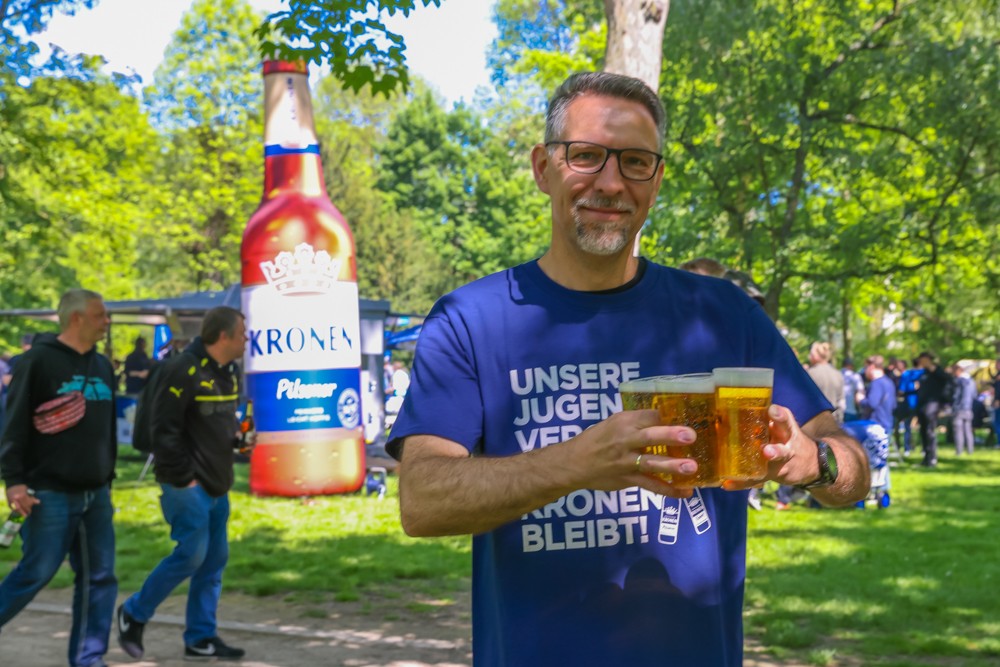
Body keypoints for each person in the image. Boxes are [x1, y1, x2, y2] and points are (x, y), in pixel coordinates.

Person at [386, 71, 869, 667]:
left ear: (657, 179)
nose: (610, 183)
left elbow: (853, 469)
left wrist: (813, 461)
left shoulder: (722, 315)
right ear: (543, 168)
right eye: (586, 156)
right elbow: (423, 499)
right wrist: (578, 462)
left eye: (636, 162)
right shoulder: (471, 319)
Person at [116, 307, 250, 662]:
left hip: (218, 483)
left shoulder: (229, 371)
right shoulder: (182, 369)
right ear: (223, 336)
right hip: (187, 485)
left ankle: (200, 638)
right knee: (191, 554)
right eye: (242, 334)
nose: (246, 340)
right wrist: (184, 478)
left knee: (213, 560)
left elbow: (215, 425)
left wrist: (237, 442)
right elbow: (164, 431)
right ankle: (134, 612)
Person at [0, 289, 117, 667]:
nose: (107, 322)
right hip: (48, 493)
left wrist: (107, 476)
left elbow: (107, 432)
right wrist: (13, 481)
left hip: (96, 495)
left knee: (100, 578)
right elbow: (13, 424)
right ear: (76, 319)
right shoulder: (37, 361)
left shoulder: (102, 366)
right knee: (34, 572)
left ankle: (88, 659)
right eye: (100, 316)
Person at [914, 351, 949, 467]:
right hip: (922, 404)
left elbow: (947, 380)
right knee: (923, 431)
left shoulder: (937, 371)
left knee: (930, 431)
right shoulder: (923, 373)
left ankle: (932, 458)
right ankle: (926, 457)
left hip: (932, 404)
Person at [806, 342, 845, 423]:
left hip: (816, 423)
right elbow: (841, 402)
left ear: (815, 355)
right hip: (834, 421)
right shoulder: (838, 374)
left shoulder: (810, 373)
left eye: (811, 354)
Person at [860, 355, 896, 435]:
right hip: (887, 425)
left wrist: (861, 400)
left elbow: (872, 403)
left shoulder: (876, 383)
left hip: (874, 427)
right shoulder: (889, 382)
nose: (865, 371)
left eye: (866, 367)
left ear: (871, 367)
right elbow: (893, 405)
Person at [950, 364, 977, 456]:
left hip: (960, 409)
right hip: (969, 408)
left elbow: (957, 396)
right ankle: (970, 450)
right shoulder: (972, 381)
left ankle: (959, 451)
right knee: (968, 430)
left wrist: (956, 407)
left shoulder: (960, 381)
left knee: (958, 431)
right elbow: (974, 395)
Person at [841, 357, 865, 422]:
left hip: (838, 411)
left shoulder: (836, 375)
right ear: (851, 366)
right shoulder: (855, 376)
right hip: (851, 411)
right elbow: (861, 392)